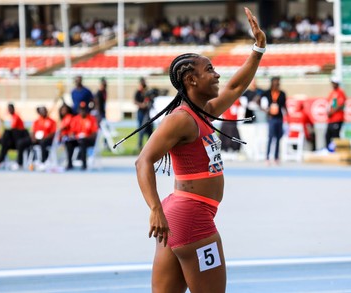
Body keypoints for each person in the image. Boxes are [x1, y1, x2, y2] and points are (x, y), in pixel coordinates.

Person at [117, 7, 265, 292]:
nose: (217, 74)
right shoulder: (181, 119)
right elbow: (143, 161)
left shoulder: (202, 113)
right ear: (191, 80)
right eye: (209, 69)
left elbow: (235, 87)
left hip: (181, 215)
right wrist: (154, 209)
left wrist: (258, 48)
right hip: (191, 218)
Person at [15, 106, 56, 170]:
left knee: (43, 142)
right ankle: (19, 163)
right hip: (36, 139)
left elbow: (53, 133)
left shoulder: (52, 121)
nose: (43, 112)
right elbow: (32, 131)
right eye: (41, 111)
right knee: (21, 142)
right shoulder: (36, 121)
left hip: (46, 139)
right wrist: (33, 137)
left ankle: (43, 162)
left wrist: (45, 137)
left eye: (44, 110)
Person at [261, 76, 287, 164]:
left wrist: (288, 117)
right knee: (270, 137)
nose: (277, 84)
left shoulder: (282, 93)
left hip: (279, 118)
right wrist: (265, 110)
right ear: (272, 83)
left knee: (278, 138)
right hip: (271, 118)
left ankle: (276, 157)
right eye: (275, 82)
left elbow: (284, 106)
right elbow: (257, 100)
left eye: (278, 82)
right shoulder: (267, 93)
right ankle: (267, 157)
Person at [65, 102, 98, 170]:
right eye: (81, 110)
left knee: (83, 141)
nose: (83, 111)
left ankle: (84, 164)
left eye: (84, 110)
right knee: (68, 142)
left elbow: (94, 133)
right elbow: (72, 131)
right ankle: (69, 163)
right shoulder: (75, 119)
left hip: (88, 140)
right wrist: (72, 136)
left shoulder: (92, 119)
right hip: (78, 139)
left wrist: (86, 137)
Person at [325, 76, 347, 150]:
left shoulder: (340, 93)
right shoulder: (331, 93)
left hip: (337, 118)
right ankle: (329, 150)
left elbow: (340, 105)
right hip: (331, 119)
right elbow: (329, 104)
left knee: (336, 136)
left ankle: (337, 151)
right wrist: (328, 112)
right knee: (327, 136)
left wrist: (331, 112)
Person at [134, 77, 153, 150]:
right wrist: (142, 105)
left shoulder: (147, 91)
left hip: (147, 112)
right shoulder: (138, 92)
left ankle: (150, 145)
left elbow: (150, 99)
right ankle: (140, 145)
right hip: (141, 113)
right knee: (141, 129)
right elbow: (135, 101)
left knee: (149, 130)